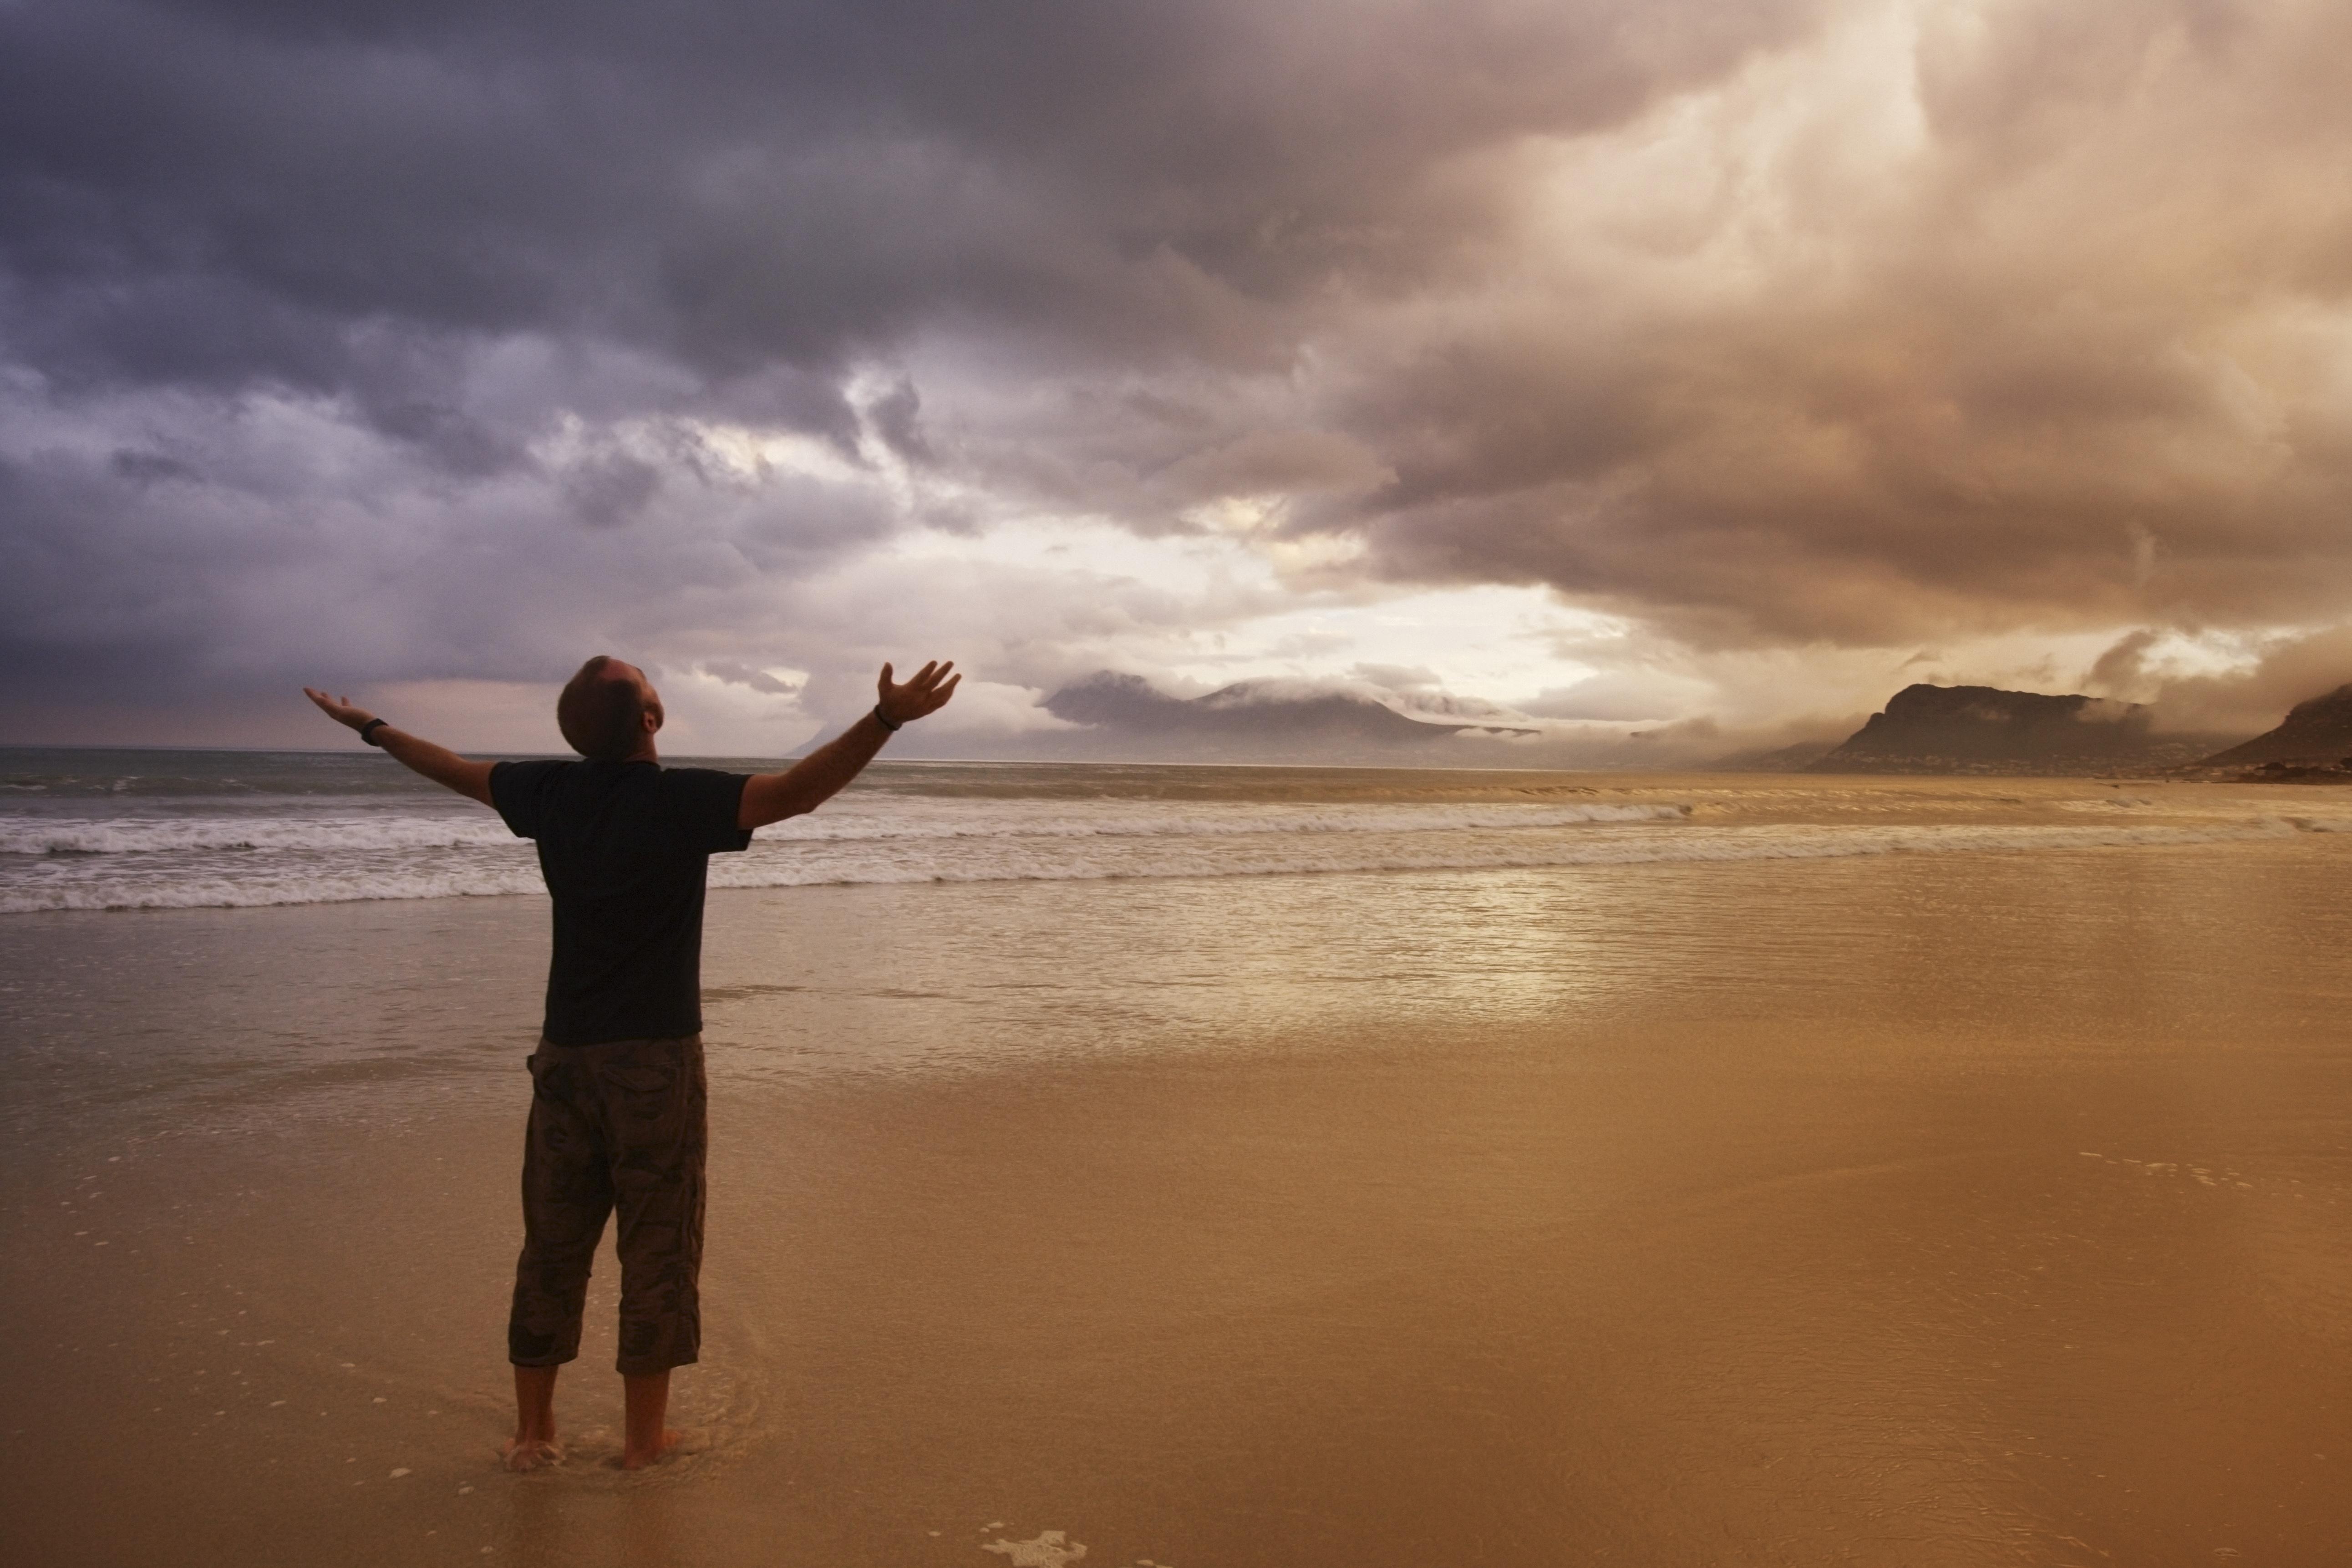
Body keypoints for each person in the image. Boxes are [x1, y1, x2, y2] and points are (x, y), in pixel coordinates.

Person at [303, 656, 960, 1469]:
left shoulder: (548, 794)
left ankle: (534, 1433)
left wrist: (371, 727)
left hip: (564, 1062)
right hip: (655, 1064)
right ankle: (643, 1443)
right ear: (650, 721)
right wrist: (886, 720)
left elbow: (451, 770)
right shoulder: (679, 801)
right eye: (649, 681)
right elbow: (798, 792)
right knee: (658, 1247)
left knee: (552, 1245)